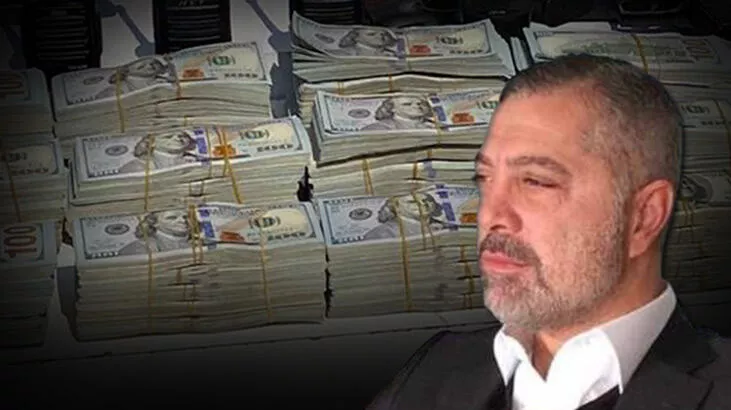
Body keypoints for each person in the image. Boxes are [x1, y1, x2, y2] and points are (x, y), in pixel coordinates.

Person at [366, 53, 731, 409]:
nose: (490, 215)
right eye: (485, 179)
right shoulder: (435, 368)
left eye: (535, 182)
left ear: (644, 216)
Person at [362, 96, 435, 131]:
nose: (416, 106)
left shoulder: (436, 125)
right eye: (407, 104)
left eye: (419, 103)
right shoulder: (377, 128)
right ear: (392, 108)